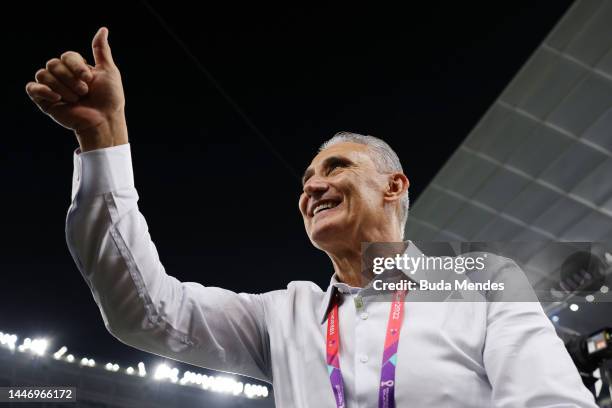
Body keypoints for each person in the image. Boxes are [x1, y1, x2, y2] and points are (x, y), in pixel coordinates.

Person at [26, 27, 598, 407]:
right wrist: (102, 139)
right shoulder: (285, 316)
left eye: (336, 167)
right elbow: (143, 312)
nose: (313, 187)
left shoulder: (481, 282)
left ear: (395, 186)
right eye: (305, 182)